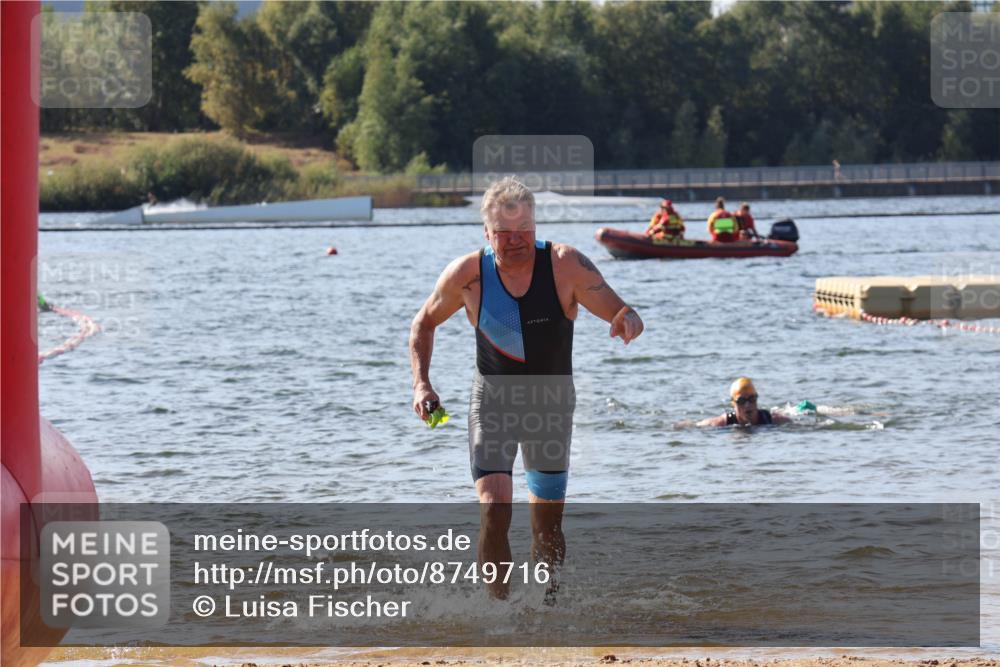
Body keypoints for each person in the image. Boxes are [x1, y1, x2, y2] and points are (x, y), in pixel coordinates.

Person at [409, 176, 644, 600]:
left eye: (524, 232)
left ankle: (546, 605)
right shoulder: (468, 275)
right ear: (487, 233)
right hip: (493, 401)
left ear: (535, 227)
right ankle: (500, 613)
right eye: (505, 233)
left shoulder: (565, 265)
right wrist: (422, 384)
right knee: (494, 510)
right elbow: (423, 322)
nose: (516, 241)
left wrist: (628, 321)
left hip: (550, 406)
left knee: (547, 524)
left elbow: (621, 308)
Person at [698, 377, 791, 427]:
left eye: (752, 399)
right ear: (733, 403)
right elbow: (696, 425)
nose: (747, 405)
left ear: (756, 399)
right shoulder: (722, 422)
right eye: (741, 401)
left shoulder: (773, 420)